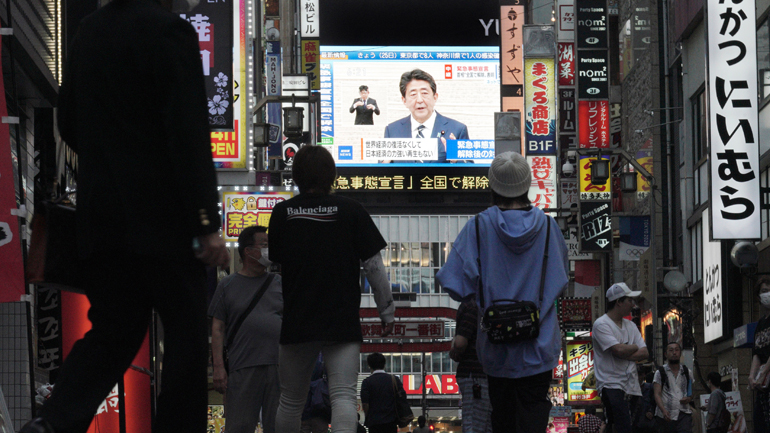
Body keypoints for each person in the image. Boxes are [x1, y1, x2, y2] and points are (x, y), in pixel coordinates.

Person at [20, 0, 230, 432]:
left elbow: (70, 123)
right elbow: (187, 132)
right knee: (186, 335)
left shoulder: (88, 33)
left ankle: (53, 423)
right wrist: (206, 222)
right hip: (166, 221)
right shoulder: (171, 33)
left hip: (104, 218)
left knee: (114, 330)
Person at [437, 152, 569, 433]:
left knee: (503, 417)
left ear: (493, 186)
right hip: (540, 342)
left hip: (496, 346)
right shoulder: (548, 227)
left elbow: (452, 282)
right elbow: (561, 280)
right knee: (533, 412)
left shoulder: (477, 226)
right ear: (527, 185)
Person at [269, 145, 395, 433]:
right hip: (341, 319)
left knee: (290, 400)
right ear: (332, 175)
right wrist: (386, 311)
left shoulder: (283, 212)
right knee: (343, 396)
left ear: (296, 175)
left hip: (297, 319)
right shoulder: (352, 211)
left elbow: (274, 265)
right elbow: (374, 266)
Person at [209, 226, 282, 433]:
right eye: (265, 245)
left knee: (278, 426)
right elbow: (217, 328)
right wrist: (218, 368)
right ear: (249, 251)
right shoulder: (227, 285)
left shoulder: (280, 283)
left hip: (278, 366)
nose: (270, 250)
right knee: (239, 426)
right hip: (242, 366)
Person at [592, 282, 649, 433]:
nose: (632, 304)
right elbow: (617, 349)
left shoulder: (630, 325)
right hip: (610, 383)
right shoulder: (601, 324)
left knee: (627, 425)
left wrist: (626, 351)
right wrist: (633, 347)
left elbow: (645, 353)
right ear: (618, 302)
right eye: (630, 300)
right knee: (622, 425)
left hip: (631, 383)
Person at [383, 69, 469, 162]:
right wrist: (385, 164)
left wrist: (455, 161)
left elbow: (471, 172)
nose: (419, 100)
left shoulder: (457, 129)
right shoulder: (392, 131)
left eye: (424, 93)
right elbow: (380, 172)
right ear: (404, 101)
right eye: (413, 94)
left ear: (435, 97)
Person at [449, 300, 492, 433]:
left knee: (474, 424)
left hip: (473, 375)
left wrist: (454, 348)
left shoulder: (471, 306)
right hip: (490, 373)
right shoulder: (487, 303)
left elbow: (460, 343)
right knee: (487, 424)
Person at [652, 342, 693, 433]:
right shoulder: (660, 373)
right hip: (666, 416)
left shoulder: (687, 372)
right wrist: (663, 410)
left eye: (676, 350)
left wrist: (688, 399)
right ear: (666, 354)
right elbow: (657, 394)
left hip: (684, 413)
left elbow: (690, 393)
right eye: (671, 350)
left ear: (680, 353)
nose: (674, 353)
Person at [360, 353, 401, 433]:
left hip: (374, 423)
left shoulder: (367, 382)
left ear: (370, 366)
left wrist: (368, 416)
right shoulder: (394, 380)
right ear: (384, 364)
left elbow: (365, 404)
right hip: (391, 422)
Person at [750, 276, 770, 433]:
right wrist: (752, 376)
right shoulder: (761, 323)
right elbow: (756, 352)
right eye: (764, 291)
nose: (768, 294)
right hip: (764, 387)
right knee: (760, 423)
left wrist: (764, 371)